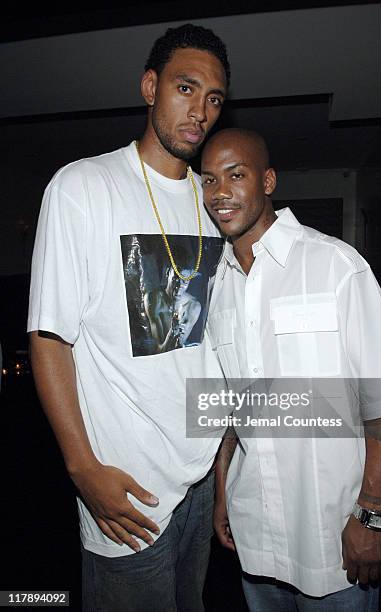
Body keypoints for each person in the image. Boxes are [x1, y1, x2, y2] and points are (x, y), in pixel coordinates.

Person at [28, 24, 229, 612]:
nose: (200, 111)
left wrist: (221, 474)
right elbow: (48, 337)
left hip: (199, 482)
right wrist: (82, 468)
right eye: (185, 88)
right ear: (150, 86)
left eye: (213, 98)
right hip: (126, 494)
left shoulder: (214, 203)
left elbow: (212, 352)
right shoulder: (82, 187)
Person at [201, 128, 381, 611]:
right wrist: (222, 494)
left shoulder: (336, 266)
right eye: (209, 179)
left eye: (235, 175)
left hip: (336, 539)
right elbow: (230, 407)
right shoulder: (217, 288)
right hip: (254, 530)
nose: (219, 191)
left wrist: (375, 516)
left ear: (268, 180)